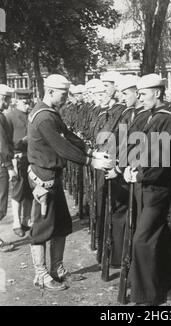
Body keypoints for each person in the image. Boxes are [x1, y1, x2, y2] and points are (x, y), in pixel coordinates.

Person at [27, 74, 114, 291]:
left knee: (62, 225)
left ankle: (57, 268)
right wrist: (89, 161)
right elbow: (61, 147)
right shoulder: (44, 117)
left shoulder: (50, 113)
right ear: (50, 91)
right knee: (42, 228)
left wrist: (90, 150)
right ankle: (41, 274)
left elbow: (68, 135)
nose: (66, 98)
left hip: (51, 176)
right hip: (43, 178)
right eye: (63, 94)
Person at [123, 74, 171, 306]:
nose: (140, 98)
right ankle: (170, 278)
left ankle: (149, 295)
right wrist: (132, 165)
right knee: (160, 233)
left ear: (157, 93)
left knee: (142, 239)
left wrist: (140, 173)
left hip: (157, 186)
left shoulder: (165, 119)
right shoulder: (154, 117)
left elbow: (162, 159)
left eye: (144, 94)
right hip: (150, 184)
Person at [6, 89, 34, 238]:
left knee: (29, 190)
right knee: (17, 191)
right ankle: (16, 222)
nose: (27, 104)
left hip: (31, 158)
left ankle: (26, 220)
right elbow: (4, 142)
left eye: (28, 101)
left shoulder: (31, 116)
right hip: (16, 158)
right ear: (16, 101)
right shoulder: (9, 117)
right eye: (24, 101)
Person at [0, 85, 17, 252]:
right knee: (0, 204)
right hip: (1, 165)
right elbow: (2, 145)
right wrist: (9, 166)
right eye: (7, 98)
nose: (9, 102)